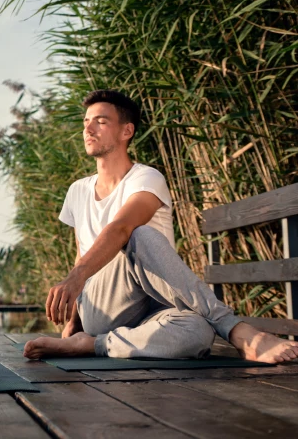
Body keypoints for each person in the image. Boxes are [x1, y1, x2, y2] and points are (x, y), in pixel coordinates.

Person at [21, 90, 298, 363]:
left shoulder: (146, 178)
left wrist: (75, 292)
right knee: (140, 235)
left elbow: (121, 226)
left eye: (101, 121)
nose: (88, 128)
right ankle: (238, 330)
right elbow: (82, 255)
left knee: (198, 332)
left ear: (126, 131)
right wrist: (72, 324)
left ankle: (94, 345)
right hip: (103, 304)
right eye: (85, 122)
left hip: (158, 310)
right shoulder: (78, 190)